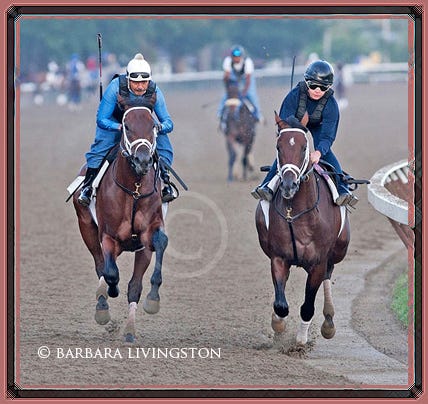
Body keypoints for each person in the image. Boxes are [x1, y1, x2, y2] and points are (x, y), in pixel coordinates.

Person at [251, 59, 358, 207]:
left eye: (323, 87)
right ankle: (267, 185)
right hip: (295, 124)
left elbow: (328, 136)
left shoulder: (331, 105)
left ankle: (342, 188)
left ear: (329, 87)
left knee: (326, 152)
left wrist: (318, 153)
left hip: (319, 127)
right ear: (306, 82)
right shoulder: (293, 96)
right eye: (313, 85)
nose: (317, 90)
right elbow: (284, 125)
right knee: (289, 151)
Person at [77, 53, 176, 206]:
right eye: (136, 82)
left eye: (144, 82)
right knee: (100, 148)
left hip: (142, 123)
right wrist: (119, 127)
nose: (140, 87)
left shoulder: (154, 90)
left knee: (165, 146)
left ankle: (165, 182)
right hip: (116, 121)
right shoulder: (115, 87)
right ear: (128, 79)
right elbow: (101, 118)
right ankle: (88, 187)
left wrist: (159, 127)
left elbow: (168, 122)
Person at [218, 44, 262, 123]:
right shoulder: (228, 61)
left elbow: (248, 80)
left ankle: (258, 115)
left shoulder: (247, 62)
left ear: (241, 56)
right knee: (225, 97)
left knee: (252, 96)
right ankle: (220, 114)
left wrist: (243, 93)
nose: (236, 58)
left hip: (245, 80)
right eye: (234, 56)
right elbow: (226, 78)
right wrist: (229, 91)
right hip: (234, 80)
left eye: (238, 56)